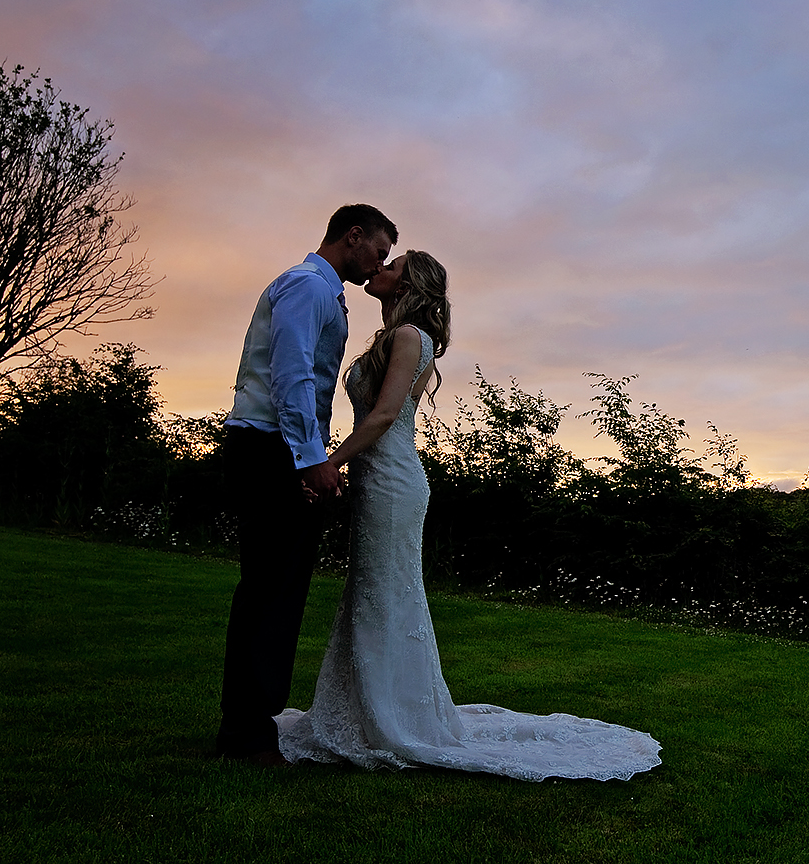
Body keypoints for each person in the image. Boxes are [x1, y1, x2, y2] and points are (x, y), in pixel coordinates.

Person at [276, 251, 661, 780]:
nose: (379, 269)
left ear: (408, 283)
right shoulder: (396, 338)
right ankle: (364, 713)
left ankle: (393, 720)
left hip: (391, 481)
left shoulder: (410, 336)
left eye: (392, 265)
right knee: (371, 591)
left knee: (386, 593)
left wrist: (325, 463)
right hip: (376, 480)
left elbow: (387, 415)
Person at [216, 204, 397, 766]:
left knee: (279, 587)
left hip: (280, 449)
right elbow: (291, 376)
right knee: (270, 589)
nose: (378, 264)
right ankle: (246, 735)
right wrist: (310, 460)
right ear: (353, 235)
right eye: (379, 252)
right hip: (272, 449)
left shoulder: (325, 294)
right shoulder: (306, 287)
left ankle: (248, 726)